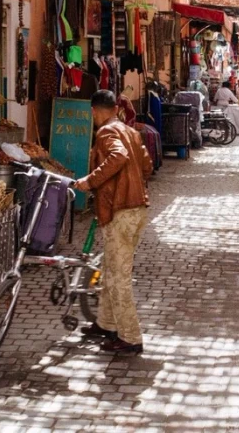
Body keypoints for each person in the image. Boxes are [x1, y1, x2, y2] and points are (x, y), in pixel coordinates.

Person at [74, 90, 154, 354]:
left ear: (96, 110)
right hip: (135, 209)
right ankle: (106, 324)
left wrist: (91, 181)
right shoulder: (130, 131)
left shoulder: (107, 132)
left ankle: (131, 338)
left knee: (118, 278)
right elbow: (147, 166)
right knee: (109, 270)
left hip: (122, 210)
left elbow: (118, 157)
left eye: (92, 113)